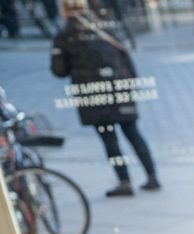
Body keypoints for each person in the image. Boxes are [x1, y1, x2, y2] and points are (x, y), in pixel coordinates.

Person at [49, 0, 158, 197]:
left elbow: (59, 70)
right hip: (118, 89)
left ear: (64, 10)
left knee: (109, 138)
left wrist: (58, 53)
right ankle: (152, 176)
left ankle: (124, 181)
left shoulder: (65, 36)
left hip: (94, 95)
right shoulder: (104, 25)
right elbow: (125, 56)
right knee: (132, 132)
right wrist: (129, 84)